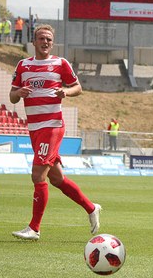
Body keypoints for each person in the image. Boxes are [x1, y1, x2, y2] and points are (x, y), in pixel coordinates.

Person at [9, 24, 101, 241]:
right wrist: (19, 92)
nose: (45, 42)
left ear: (52, 43)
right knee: (57, 178)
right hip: (34, 128)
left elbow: (78, 88)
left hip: (52, 126)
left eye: (49, 39)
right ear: (34, 42)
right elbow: (12, 96)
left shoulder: (60, 63)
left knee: (37, 175)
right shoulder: (23, 65)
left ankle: (34, 228)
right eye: (42, 38)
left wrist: (65, 92)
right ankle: (91, 208)